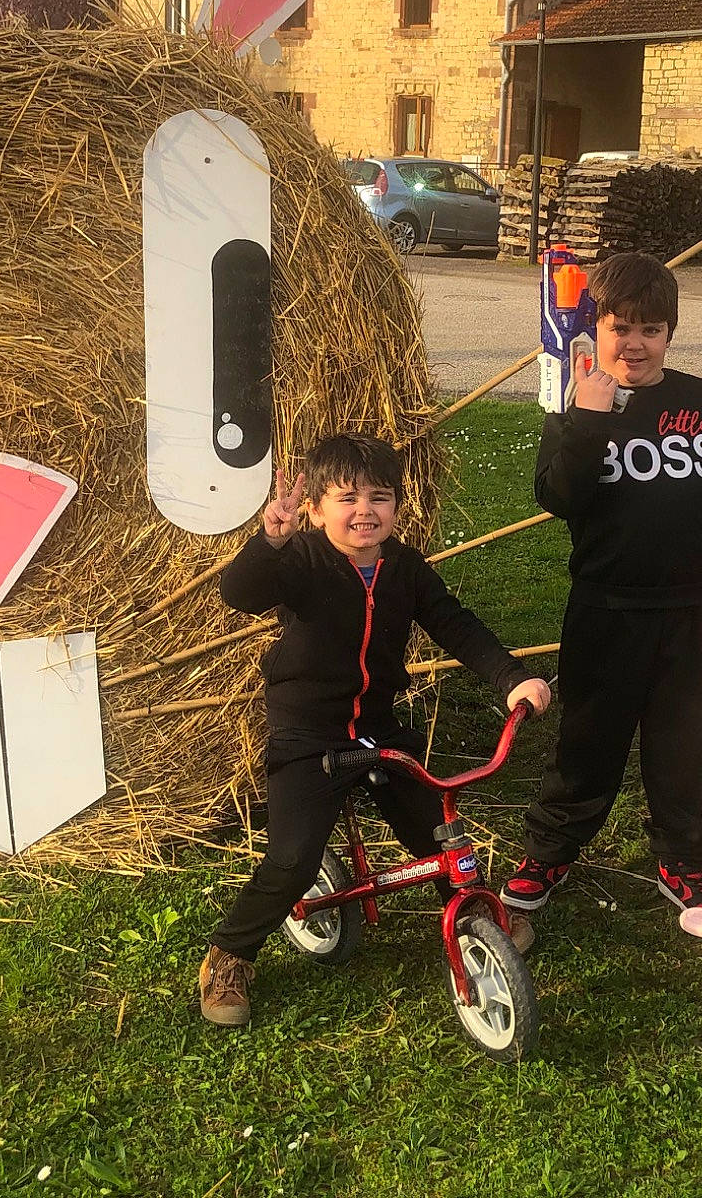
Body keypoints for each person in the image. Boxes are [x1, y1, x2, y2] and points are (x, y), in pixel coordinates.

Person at [199, 433, 551, 1027]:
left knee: (436, 829)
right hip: (307, 736)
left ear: (396, 505)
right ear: (314, 507)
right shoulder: (300, 560)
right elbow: (241, 594)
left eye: (380, 497)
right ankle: (230, 954)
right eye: (347, 497)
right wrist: (269, 542)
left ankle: (474, 916)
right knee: (292, 861)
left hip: (378, 728)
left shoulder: (404, 568)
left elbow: (454, 624)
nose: (365, 510)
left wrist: (511, 676)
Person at [503, 252, 702, 929]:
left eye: (651, 329)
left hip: (690, 611)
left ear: (670, 334)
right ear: (596, 328)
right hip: (606, 608)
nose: (635, 344)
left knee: (681, 745)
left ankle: (681, 859)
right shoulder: (579, 405)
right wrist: (589, 419)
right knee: (588, 740)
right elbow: (557, 497)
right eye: (621, 327)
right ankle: (551, 850)